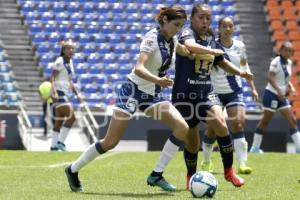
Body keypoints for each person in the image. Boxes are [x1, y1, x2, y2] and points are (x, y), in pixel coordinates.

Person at [64, 5, 190, 192]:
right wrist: (158, 80)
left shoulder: (172, 40)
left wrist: (211, 53)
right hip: (132, 90)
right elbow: (139, 67)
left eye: (181, 26)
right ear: (164, 21)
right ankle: (72, 169)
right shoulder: (151, 38)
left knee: (182, 128)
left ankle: (156, 174)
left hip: (153, 94)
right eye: (176, 25)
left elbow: (186, 51)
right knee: (110, 142)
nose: (178, 30)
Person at [147, 4, 253, 191]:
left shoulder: (211, 37)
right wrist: (211, 51)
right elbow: (189, 46)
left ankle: (229, 171)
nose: (205, 22)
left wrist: (241, 73)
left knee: (220, 123)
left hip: (206, 93)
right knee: (192, 141)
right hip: (184, 96)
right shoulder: (187, 33)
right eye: (201, 18)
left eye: (208, 18)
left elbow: (221, 61)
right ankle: (191, 176)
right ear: (193, 18)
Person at [201, 17, 259, 175]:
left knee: (238, 124)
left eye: (230, 26)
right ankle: (206, 162)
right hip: (214, 93)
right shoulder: (211, 46)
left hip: (234, 91)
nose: (227, 28)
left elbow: (244, 66)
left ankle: (242, 164)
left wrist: (252, 88)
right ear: (218, 28)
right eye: (224, 26)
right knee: (212, 130)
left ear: (233, 28)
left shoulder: (240, 46)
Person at [250, 42, 300, 153]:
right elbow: (269, 77)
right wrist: (279, 91)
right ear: (280, 51)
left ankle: (299, 148)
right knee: (265, 122)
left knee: (292, 119)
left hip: (281, 97)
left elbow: (285, 78)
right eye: (286, 50)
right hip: (271, 95)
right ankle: (255, 148)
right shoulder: (276, 61)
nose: (288, 52)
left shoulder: (289, 62)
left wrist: (291, 87)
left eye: (290, 50)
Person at [50, 38, 82, 151]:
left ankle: (53, 147)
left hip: (65, 93)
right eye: (69, 48)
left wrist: (77, 93)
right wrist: (53, 91)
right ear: (63, 50)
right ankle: (60, 143)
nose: (71, 50)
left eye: (73, 48)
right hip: (59, 93)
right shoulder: (60, 61)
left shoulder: (70, 62)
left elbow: (69, 80)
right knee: (72, 118)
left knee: (59, 121)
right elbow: (52, 77)